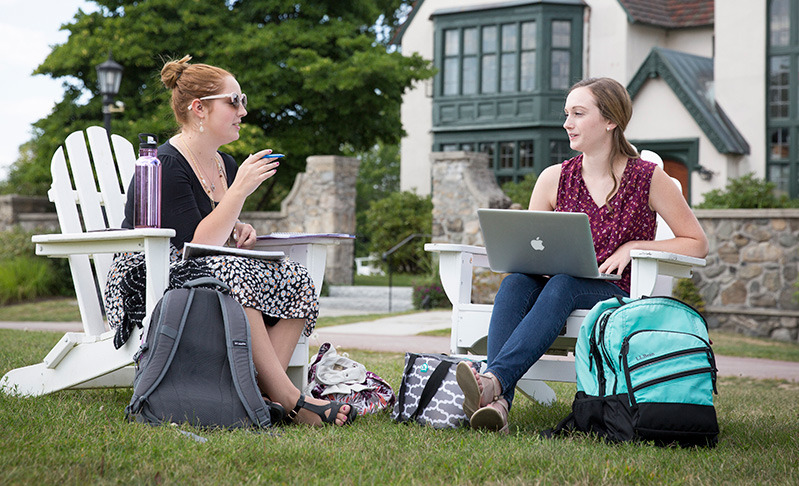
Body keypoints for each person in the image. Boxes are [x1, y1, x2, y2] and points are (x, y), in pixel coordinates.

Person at [104, 55, 355, 427]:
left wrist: (242, 226)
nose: (243, 111)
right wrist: (238, 194)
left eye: (243, 100)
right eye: (233, 101)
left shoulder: (226, 164)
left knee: (297, 278)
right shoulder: (166, 164)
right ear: (199, 109)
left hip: (206, 269)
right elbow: (194, 243)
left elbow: (216, 230)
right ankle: (289, 399)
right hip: (147, 273)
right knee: (233, 274)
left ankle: (260, 394)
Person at [456, 77, 709, 433]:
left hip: (615, 293)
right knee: (516, 281)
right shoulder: (553, 178)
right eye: (566, 114)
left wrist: (635, 246)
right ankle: (498, 406)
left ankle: (493, 382)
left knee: (563, 284)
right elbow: (531, 246)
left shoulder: (648, 178)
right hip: (556, 285)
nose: (567, 123)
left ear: (610, 121)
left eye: (578, 113)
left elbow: (696, 241)